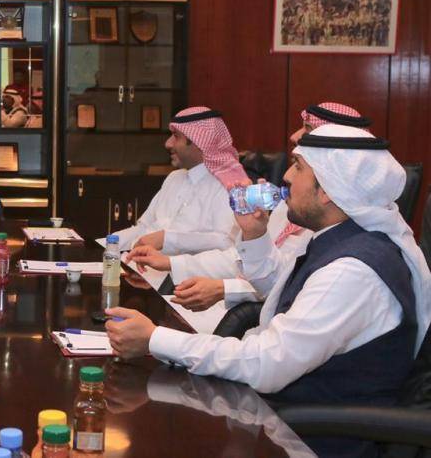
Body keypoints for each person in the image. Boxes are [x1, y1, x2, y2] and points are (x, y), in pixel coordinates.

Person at [107, 125, 431, 423]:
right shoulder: (339, 238)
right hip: (277, 409)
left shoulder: (353, 271)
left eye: (298, 166)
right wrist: (254, 234)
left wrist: (155, 339)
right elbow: (278, 286)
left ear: (329, 190)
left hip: (308, 435)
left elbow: (266, 365)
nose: (286, 176)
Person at [129, 102, 370, 311]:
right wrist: (171, 263)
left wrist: (223, 288)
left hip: (249, 317)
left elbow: (290, 283)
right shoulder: (294, 204)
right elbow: (248, 260)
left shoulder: (344, 233)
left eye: (307, 129)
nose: (295, 136)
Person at [111, 106, 242, 255]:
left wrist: (167, 239)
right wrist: (107, 245)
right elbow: (144, 228)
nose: (168, 144)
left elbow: (226, 242)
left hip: (186, 270)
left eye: (176, 136)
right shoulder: (174, 178)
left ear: (199, 141)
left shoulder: (230, 184)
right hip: (140, 265)